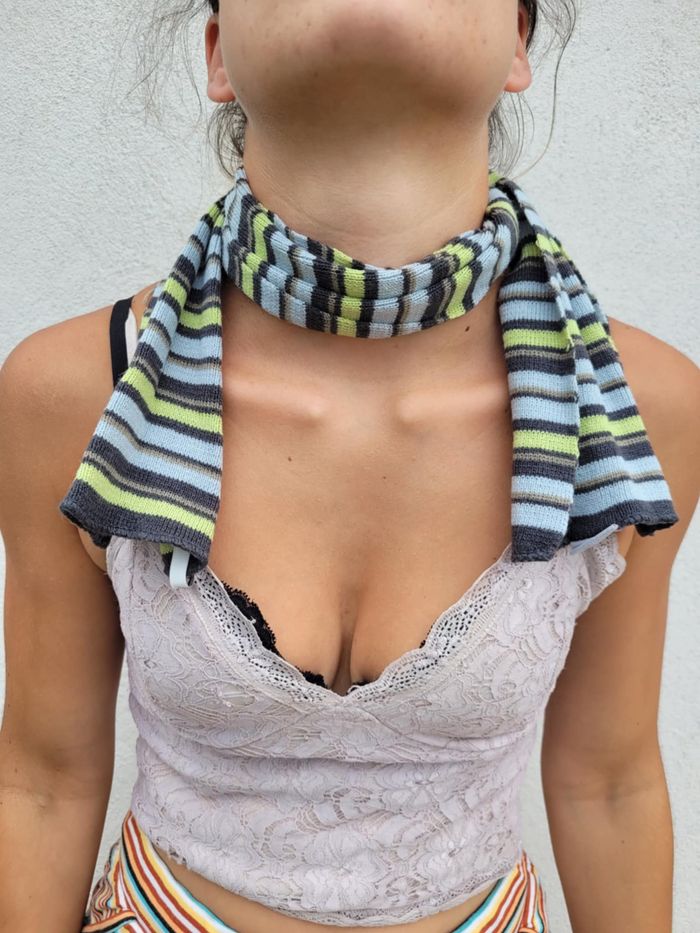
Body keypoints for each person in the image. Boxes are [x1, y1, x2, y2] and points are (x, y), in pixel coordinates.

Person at [0, 2, 698, 931]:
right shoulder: (78, 394)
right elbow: (43, 781)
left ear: (517, 45)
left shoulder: (629, 412)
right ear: (220, 56)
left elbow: (608, 783)